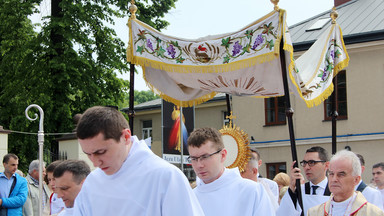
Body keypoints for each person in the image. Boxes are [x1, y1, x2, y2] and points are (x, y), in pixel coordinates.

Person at [74, 106, 204, 216]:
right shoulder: (92, 182)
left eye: (101, 152)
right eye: (88, 154)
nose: (95, 163)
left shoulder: (166, 177)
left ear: (125, 137)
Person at [188, 127, 275, 216]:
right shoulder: (189, 198)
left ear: (223, 155)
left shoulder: (252, 191)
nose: (199, 165)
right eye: (194, 159)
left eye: (205, 157)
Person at [307, 150, 384, 215]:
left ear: (356, 180)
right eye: (331, 174)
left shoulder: (372, 213)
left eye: (341, 174)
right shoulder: (314, 212)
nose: (334, 179)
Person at [277, 146, 331, 216]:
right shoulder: (298, 191)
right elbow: (283, 213)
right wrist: (291, 188)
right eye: (304, 163)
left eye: (312, 162)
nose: (307, 167)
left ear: (326, 165)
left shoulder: (334, 190)